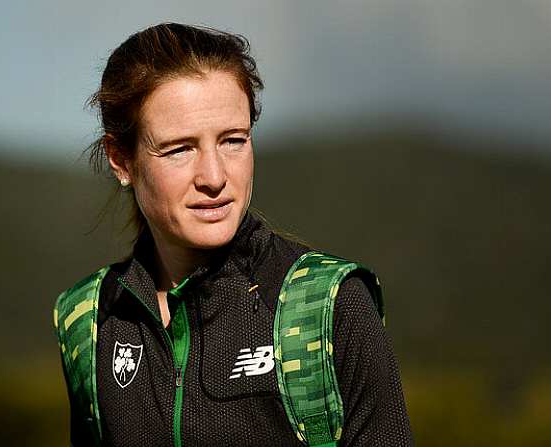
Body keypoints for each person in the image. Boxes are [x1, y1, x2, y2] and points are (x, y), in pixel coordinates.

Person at [54, 22, 413, 446]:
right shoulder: (89, 320)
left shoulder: (328, 305)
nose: (214, 176)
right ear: (121, 160)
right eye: (180, 149)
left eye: (233, 141)